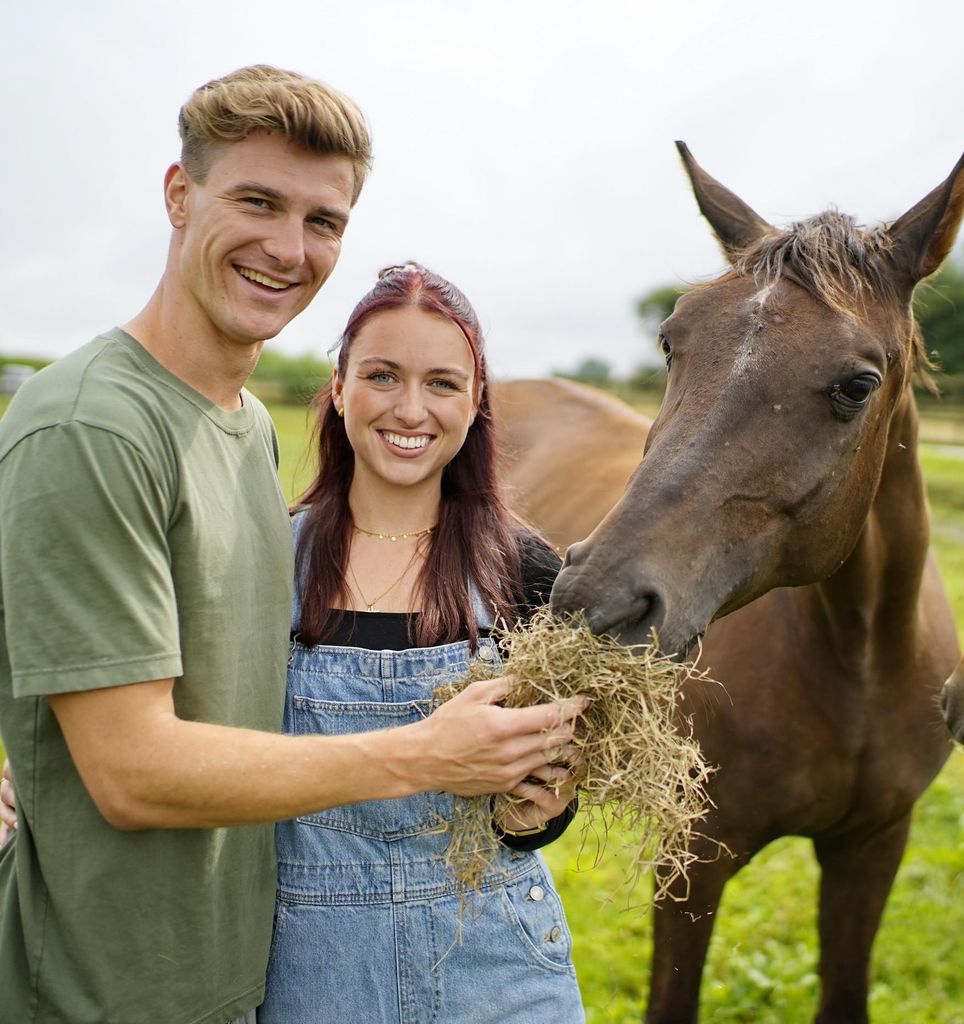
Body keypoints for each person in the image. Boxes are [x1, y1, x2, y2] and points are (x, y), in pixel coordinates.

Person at [0, 66, 584, 1024]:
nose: (287, 248)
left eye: (322, 221)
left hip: (248, 970)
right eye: (257, 201)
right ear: (179, 195)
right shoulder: (89, 428)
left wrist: (531, 797)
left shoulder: (239, 428)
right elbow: (129, 768)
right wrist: (429, 753)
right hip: (112, 988)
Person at [258, 262, 585, 1023]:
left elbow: (553, 787)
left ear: (476, 403)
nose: (411, 409)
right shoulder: (265, 563)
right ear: (338, 387)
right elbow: (190, 742)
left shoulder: (527, 569)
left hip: (498, 963)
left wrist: (543, 809)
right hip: (308, 967)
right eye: (382, 375)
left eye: (442, 383)